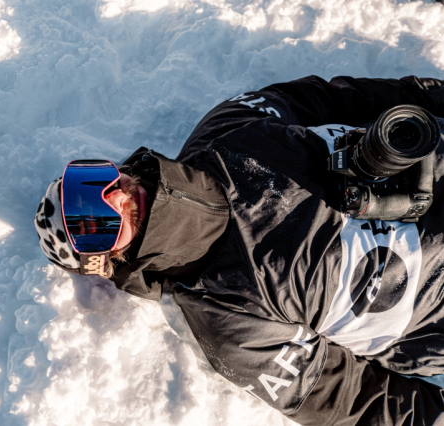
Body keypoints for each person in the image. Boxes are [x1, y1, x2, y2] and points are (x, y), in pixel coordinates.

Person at [34, 75, 444, 425]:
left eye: (92, 183)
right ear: (105, 263)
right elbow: (350, 398)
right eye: (95, 225)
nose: (115, 198)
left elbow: (335, 98)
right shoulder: (225, 321)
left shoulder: (226, 128)